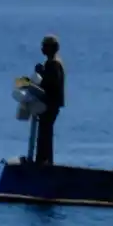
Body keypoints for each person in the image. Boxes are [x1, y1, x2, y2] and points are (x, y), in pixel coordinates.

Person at [33, 34, 66, 164]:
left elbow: (51, 83)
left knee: (44, 133)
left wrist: (41, 72)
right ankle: (45, 161)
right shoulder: (53, 63)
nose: (42, 49)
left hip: (50, 104)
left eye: (45, 46)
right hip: (51, 103)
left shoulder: (54, 64)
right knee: (45, 132)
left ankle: (43, 161)